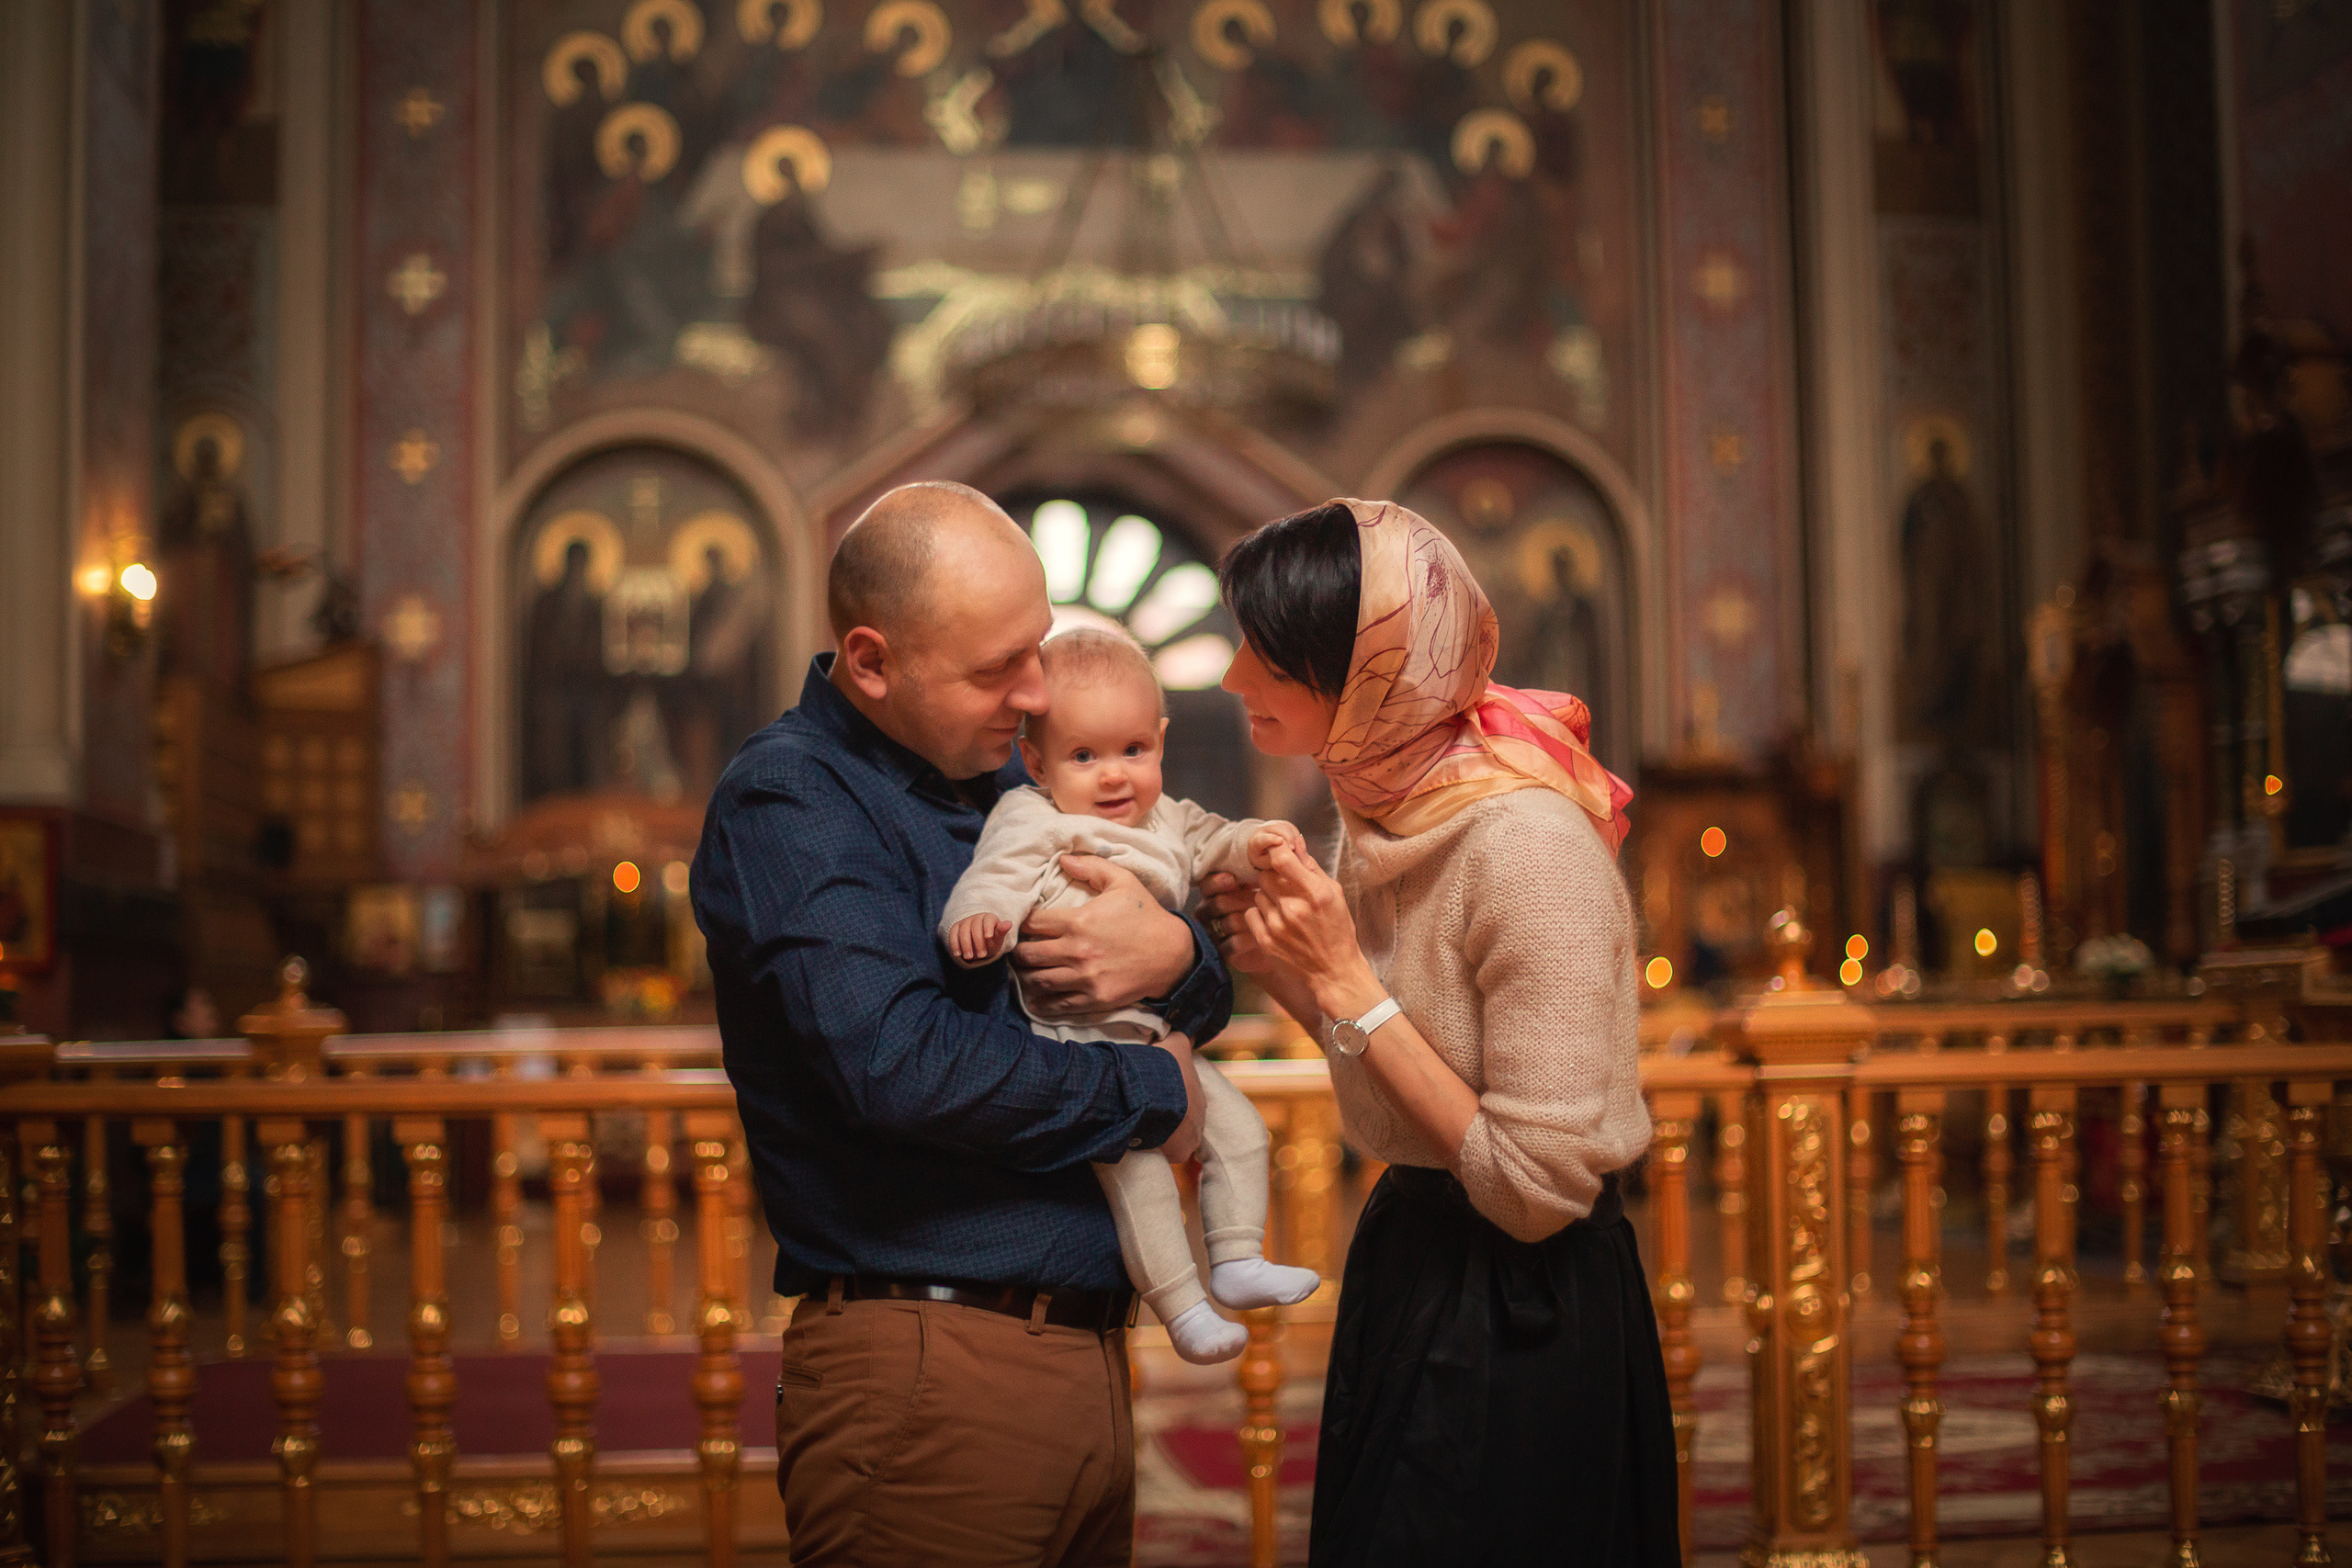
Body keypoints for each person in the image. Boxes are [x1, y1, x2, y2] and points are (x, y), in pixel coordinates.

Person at [692, 480, 1232, 1568]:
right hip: (930, 1365)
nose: (1037, 695)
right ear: (873, 658)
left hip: (1084, 1352)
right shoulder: (794, 799)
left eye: (1038, 650)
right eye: (998, 670)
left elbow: (1188, 972)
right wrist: (1155, 1092)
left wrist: (1177, 955)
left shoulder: (1005, 784)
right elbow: (903, 1065)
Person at [1198, 498, 1677, 1567]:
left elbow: (1537, 1188)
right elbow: (1399, 1071)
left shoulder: (1527, 848)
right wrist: (1281, 962)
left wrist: (1338, 980)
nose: (1234, 680)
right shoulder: (1389, 807)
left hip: (1526, 1307)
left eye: (1265, 656)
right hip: (1417, 1254)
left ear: (1361, 672)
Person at [941, 627, 1321, 1364]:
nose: (1114, 776)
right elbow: (995, 875)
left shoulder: (1167, 819)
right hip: (1077, 1049)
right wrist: (978, 920)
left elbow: (1217, 840)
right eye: (1084, 756)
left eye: (1134, 750)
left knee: (1241, 1130)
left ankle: (1237, 1258)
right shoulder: (1031, 816)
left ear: (1161, 741)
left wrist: (1259, 843)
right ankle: (1181, 1306)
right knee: (1141, 1176)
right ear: (1036, 761)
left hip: (1153, 1037)